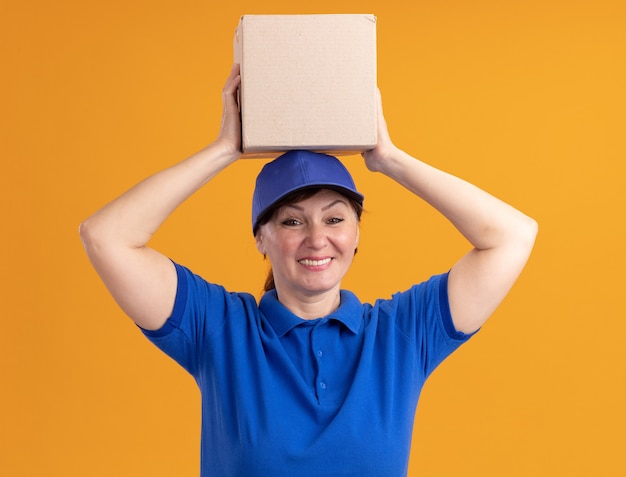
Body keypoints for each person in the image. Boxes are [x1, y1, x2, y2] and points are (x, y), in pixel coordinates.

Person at [79, 64, 537, 476]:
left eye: (335, 218)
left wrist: (390, 160)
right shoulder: (218, 329)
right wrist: (224, 150)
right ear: (261, 237)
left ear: (357, 233)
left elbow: (513, 236)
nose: (317, 238)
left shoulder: (400, 335)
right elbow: (106, 236)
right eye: (292, 221)